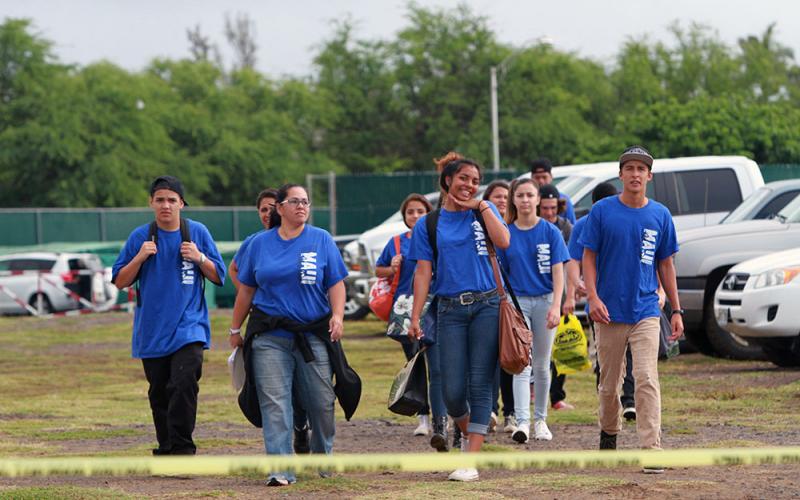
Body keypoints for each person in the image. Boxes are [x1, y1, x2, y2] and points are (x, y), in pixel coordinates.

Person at [228, 183, 348, 486]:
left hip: (311, 334)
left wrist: (337, 315)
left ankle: (323, 460)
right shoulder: (258, 244)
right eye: (295, 201)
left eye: (306, 202)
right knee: (275, 403)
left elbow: (336, 282)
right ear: (279, 208)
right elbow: (246, 290)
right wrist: (234, 328)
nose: (302, 207)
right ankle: (280, 470)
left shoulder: (321, 240)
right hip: (270, 336)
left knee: (321, 401)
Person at [580, 146, 683, 474]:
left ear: (649, 176)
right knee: (609, 383)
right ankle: (609, 432)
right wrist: (593, 298)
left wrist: (676, 309)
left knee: (646, 377)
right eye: (630, 168)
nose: (636, 174)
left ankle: (651, 447)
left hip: (646, 310)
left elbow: (666, 264)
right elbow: (589, 257)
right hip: (608, 312)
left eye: (642, 169)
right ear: (621, 175)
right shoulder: (602, 212)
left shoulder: (660, 215)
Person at [408, 152, 510, 482]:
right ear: (448, 180)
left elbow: (505, 241)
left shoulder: (484, 212)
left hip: (487, 306)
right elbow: (423, 273)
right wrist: (415, 316)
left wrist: (481, 207)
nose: (470, 185)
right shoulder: (429, 224)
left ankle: (470, 458)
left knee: (480, 384)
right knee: (452, 392)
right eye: (464, 178)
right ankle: (472, 431)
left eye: (475, 181)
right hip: (449, 308)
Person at [112, 175, 226, 456]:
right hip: (152, 329)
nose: (166, 205)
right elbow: (119, 281)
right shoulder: (141, 236)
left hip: (190, 327)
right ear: (151, 202)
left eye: (172, 200)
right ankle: (167, 446)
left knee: (184, 382)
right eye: (160, 200)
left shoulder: (196, 232)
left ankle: (183, 449)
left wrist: (199, 258)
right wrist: (139, 258)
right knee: (160, 391)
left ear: (182, 204)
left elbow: (219, 276)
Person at [228, 188, 312, 453]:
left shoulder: (302, 238)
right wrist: (251, 297)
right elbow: (235, 270)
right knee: (274, 390)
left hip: (299, 324)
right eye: (262, 209)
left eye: (272, 207)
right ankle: (280, 457)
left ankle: (301, 425)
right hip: (265, 326)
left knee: (302, 388)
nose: (268, 213)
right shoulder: (255, 242)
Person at [375, 193, 449, 452]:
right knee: (415, 365)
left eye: (420, 211)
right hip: (406, 309)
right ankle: (423, 417)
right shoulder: (396, 243)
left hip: (435, 306)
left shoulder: (437, 238)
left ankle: (441, 423)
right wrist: (392, 267)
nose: (415, 216)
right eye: (410, 212)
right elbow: (378, 269)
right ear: (404, 216)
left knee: (437, 367)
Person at [497, 178, 568, 444]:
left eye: (530, 195)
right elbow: (501, 273)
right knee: (521, 364)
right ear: (513, 200)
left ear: (538, 199)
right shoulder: (506, 232)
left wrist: (555, 305)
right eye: (521, 195)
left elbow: (559, 271)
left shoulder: (550, 232)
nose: (525, 200)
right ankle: (522, 422)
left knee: (541, 363)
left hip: (546, 300)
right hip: (518, 304)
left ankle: (541, 420)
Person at [563, 182, 638, 421]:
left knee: (623, 358)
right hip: (600, 303)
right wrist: (578, 285)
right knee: (610, 360)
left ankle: (626, 402)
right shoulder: (585, 226)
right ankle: (613, 404)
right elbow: (573, 259)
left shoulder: (626, 219)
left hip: (628, 300)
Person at [538, 183, 575, 411]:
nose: (550, 213)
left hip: (558, 295)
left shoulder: (565, 228)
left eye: (553, 208)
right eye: (545, 208)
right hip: (536, 293)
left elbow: (571, 264)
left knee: (559, 345)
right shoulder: (531, 227)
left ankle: (556, 396)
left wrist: (570, 296)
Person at [482, 180, 515, 433]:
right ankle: (491, 408)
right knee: (490, 358)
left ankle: (511, 412)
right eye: (497, 197)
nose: (502, 201)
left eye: (506, 196)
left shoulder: (514, 228)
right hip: (489, 298)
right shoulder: (480, 228)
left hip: (513, 301)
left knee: (511, 356)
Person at [530, 158, 576, 223]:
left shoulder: (563, 199)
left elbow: (571, 226)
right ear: (531, 178)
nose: (541, 181)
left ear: (551, 177)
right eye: (537, 178)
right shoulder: (527, 201)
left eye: (544, 177)